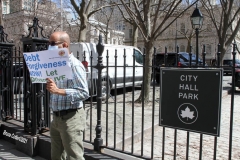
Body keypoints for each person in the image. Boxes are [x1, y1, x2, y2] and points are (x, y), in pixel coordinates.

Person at [46, 31, 89, 160]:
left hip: (71, 119)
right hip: (57, 118)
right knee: (56, 156)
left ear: (64, 45)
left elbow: (84, 92)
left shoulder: (74, 65)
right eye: (49, 43)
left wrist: (58, 90)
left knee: (74, 157)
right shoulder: (57, 64)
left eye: (52, 43)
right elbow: (55, 88)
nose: (49, 46)